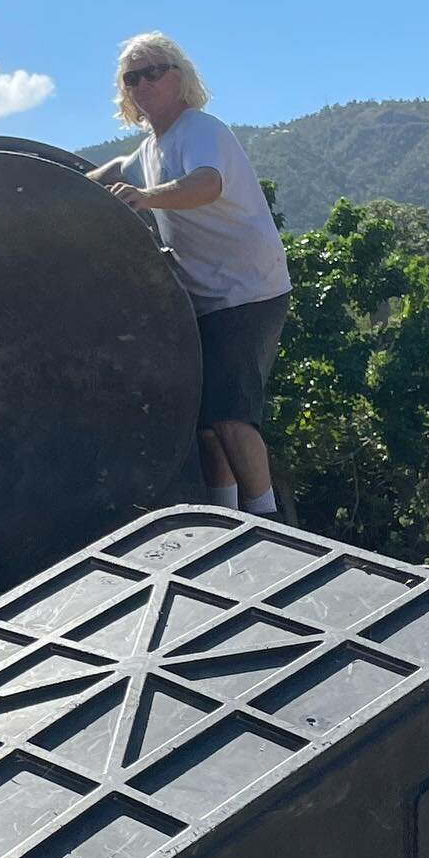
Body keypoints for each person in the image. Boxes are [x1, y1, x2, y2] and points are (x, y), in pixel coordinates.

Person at [88, 32, 291, 516]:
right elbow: (117, 169)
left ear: (180, 77)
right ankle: (227, 517)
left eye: (153, 71)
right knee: (205, 423)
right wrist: (55, 190)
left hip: (247, 291)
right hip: (205, 297)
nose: (142, 83)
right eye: (131, 77)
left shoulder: (201, 129)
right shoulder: (150, 149)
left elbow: (206, 183)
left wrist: (146, 198)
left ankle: (270, 523)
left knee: (232, 416)